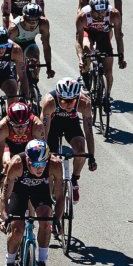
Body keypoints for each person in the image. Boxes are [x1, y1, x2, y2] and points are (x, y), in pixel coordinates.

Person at [0, 136, 55, 266]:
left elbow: (58, 195)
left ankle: (42, 262)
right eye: (35, 164)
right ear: (28, 160)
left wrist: (57, 219)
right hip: (19, 191)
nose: (40, 168)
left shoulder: (54, 164)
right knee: (17, 229)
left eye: (43, 163)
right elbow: (4, 195)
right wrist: (5, 218)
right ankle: (9, 263)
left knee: (46, 223)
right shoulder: (16, 164)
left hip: (40, 192)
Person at [41, 75, 95, 207]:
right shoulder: (49, 102)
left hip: (71, 124)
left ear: (77, 97)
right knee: (50, 161)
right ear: (58, 97)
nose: (68, 104)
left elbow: (88, 132)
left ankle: (74, 181)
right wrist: (43, 156)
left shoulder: (85, 103)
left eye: (72, 101)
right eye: (64, 101)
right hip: (52, 126)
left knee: (81, 152)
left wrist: (91, 157)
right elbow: (43, 134)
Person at [1, 0, 52, 73]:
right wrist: (6, 35)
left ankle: (33, 76)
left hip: (29, 11)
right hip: (13, 11)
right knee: (13, 28)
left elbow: (41, 11)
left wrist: (42, 27)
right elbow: (6, 14)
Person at [76, 0, 119, 110]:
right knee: (87, 50)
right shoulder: (83, 15)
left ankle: (107, 96)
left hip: (104, 34)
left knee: (109, 72)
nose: (100, 15)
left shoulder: (113, 13)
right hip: (88, 33)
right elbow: (78, 40)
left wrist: (121, 55)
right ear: (91, 9)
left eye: (103, 11)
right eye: (97, 12)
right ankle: (85, 75)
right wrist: (81, 58)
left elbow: (119, 36)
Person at [77, 0, 125, 67]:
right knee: (87, 48)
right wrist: (83, 24)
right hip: (89, 12)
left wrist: (118, 27)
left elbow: (119, 11)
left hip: (103, 14)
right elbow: (82, 8)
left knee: (106, 45)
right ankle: (85, 69)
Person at [0, 96, 40, 194]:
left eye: (24, 125)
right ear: (9, 122)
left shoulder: (37, 125)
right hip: (10, 146)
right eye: (16, 126)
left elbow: (42, 150)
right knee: (7, 163)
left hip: (29, 148)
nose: (20, 130)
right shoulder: (3, 126)